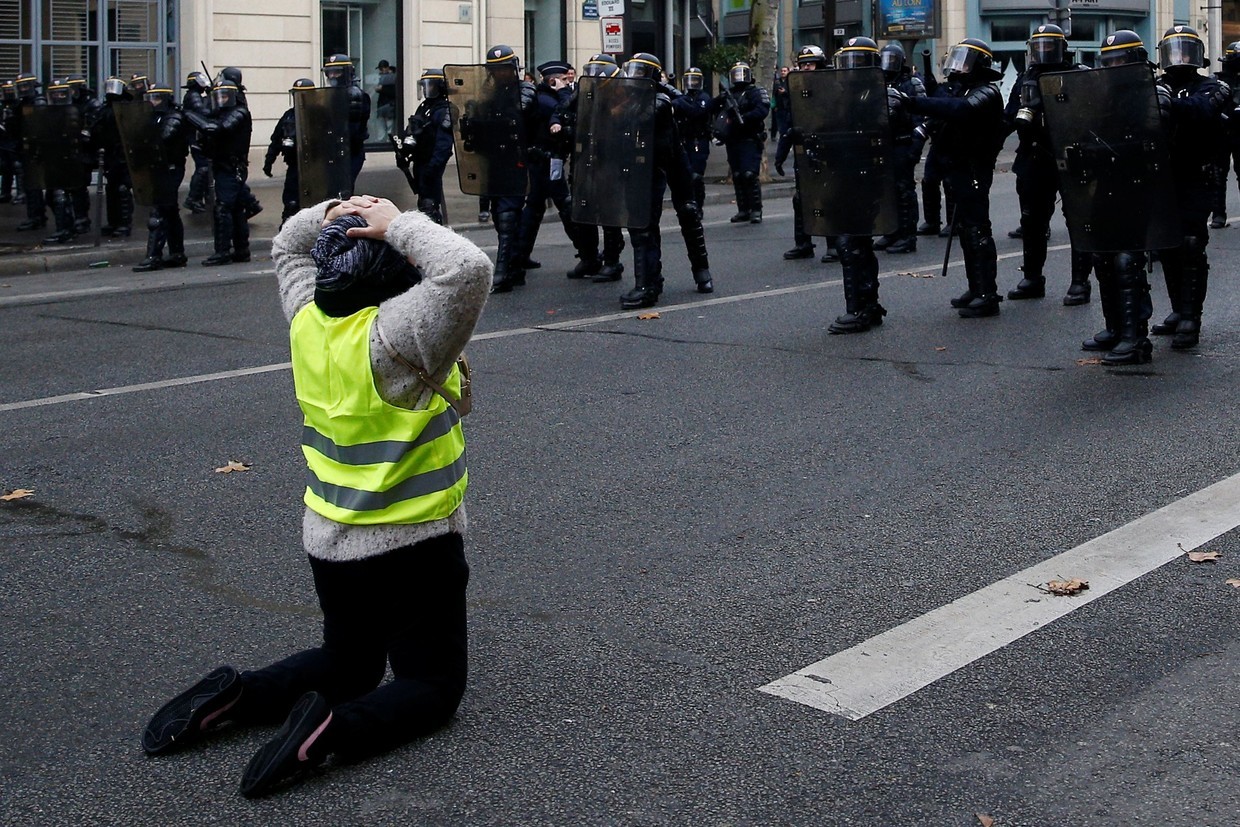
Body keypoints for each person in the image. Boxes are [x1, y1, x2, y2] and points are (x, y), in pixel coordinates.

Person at [141, 194, 491, 797]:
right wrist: (400, 223)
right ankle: (330, 733)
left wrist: (331, 212)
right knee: (432, 688)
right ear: (398, 275)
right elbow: (467, 270)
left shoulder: (309, 319)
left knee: (348, 661)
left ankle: (237, 696)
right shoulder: (399, 337)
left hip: (329, 537)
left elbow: (287, 246)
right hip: (414, 542)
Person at [899, 38, 1005, 317]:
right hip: (957, 167)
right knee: (966, 230)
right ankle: (976, 287)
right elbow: (940, 105)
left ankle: (987, 294)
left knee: (977, 229)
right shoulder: (962, 89)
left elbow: (961, 111)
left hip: (973, 169)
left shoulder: (987, 92)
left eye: (966, 60)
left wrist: (912, 102)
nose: (959, 66)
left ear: (979, 65)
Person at [1003, 24, 1095, 306]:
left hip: (1071, 156)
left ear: (1063, 50)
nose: (1043, 54)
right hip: (1034, 156)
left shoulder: (1077, 76)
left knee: (1078, 221)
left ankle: (1080, 282)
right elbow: (1008, 117)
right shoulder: (1025, 79)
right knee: (1032, 221)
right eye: (1039, 48)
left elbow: (1093, 115)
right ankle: (1033, 278)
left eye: (1049, 47)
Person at [1151, 25, 1230, 350]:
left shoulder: (1213, 86)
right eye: (1174, 50)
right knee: (1168, 244)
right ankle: (1176, 308)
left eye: (1186, 50)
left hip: (1197, 174)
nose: (1180, 57)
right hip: (1163, 175)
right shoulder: (1157, 85)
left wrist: (1168, 103)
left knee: (1191, 244)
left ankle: (1191, 316)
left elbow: (1203, 109)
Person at [184, 79, 253, 265]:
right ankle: (241, 250)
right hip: (223, 165)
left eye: (224, 95)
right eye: (218, 96)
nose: (221, 99)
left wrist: (188, 114)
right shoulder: (220, 113)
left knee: (223, 208)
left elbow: (215, 129)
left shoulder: (239, 112)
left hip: (232, 167)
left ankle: (223, 251)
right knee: (236, 209)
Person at [872, 43, 926, 254]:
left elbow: (922, 118)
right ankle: (891, 232)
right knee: (886, 191)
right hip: (883, 143)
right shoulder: (877, 83)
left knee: (904, 190)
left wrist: (915, 147)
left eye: (892, 60)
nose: (888, 65)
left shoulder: (912, 84)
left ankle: (907, 236)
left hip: (903, 142)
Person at [133, 84, 191, 271]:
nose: (151, 102)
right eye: (149, 98)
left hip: (171, 168)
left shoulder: (173, 116)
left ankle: (154, 256)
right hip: (157, 167)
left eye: (156, 98)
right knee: (170, 210)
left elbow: (162, 138)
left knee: (159, 210)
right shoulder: (153, 117)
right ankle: (177, 253)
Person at [712, 61, 770, 224]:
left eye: (741, 73)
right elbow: (713, 108)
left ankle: (756, 210)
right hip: (733, 139)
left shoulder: (755, 91)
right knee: (737, 175)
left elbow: (762, 110)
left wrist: (744, 117)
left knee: (749, 174)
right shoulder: (729, 93)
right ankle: (743, 209)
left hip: (750, 137)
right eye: (735, 74)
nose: (739, 77)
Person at [395, 68, 454, 224]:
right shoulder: (424, 107)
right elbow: (413, 131)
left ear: (440, 87)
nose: (427, 89)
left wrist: (433, 167)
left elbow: (444, 144)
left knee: (430, 205)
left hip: (431, 161)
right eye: (425, 85)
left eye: (431, 85)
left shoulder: (445, 110)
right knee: (423, 203)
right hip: (419, 160)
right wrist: (403, 152)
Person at [264, 78, 315, 226]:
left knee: (313, 203)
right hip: (294, 164)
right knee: (291, 201)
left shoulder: (319, 114)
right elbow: (276, 139)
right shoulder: (289, 116)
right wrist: (269, 161)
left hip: (315, 166)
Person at [323, 54, 371, 186]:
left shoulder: (354, 94)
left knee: (343, 189)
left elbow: (352, 130)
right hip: (336, 151)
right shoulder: (332, 94)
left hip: (349, 152)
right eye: (329, 73)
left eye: (336, 72)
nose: (332, 76)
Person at [181, 71, 213, 214]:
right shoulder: (193, 96)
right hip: (196, 138)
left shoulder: (196, 96)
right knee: (203, 168)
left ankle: (204, 197)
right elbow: (203, 112)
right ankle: (193, 198)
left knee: (206, 168)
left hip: (198, 137)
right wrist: (211, 97)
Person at [375, 60, 397, 138]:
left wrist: (382, 88)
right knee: (385, 129)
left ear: (386, 68)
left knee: (388, 129)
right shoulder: (389, 77)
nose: (381, 71)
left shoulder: (392, 78)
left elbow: (393, 92)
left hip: (389, 106)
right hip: (385, 106)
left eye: (382, 69)